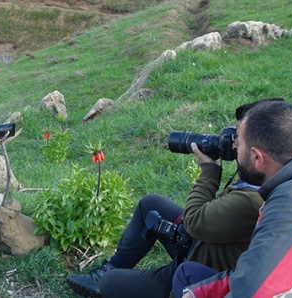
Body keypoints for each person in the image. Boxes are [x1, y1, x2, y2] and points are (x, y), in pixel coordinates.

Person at [66, 100, 268, 298]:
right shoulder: (265, 178)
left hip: (200, 272)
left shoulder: (251, 201)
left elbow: (194, 222)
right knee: (151, 203)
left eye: (238, 141)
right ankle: (113, 265)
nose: (232, 144)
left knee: (109, 283)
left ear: (257, 156)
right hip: (208, 246)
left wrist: (209, 171)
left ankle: (107, 278)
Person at [172, 100, 292, 297]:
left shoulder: (290, 205)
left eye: (239, 144)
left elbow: (253, 290)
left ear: (257, 158)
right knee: (188, 275)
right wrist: (196, 293)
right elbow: (252, 272)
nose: (235, 148)